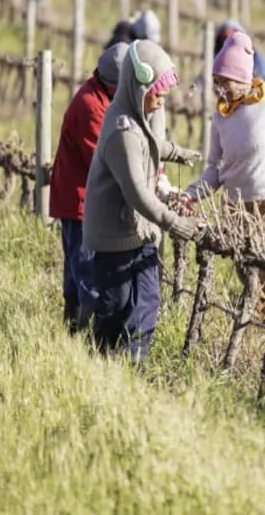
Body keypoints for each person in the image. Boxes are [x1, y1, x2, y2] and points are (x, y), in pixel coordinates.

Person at [180, 33, 265, 335]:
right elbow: (214, 169)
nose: (220, 89)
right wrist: (191, 195)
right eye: (217, 82)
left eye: (225, 81)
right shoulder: (221, 117)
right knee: (249, 276)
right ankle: (263, 336)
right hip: (235, 209)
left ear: (242, 78)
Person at [83, 40, 203, 364]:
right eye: (157, 94)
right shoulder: (122, 130)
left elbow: (151, 143)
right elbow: (136, 191)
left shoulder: (137, 119)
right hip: (114, 235)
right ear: (138, 87)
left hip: (138, 230)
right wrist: (174, 222)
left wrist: (177, 152)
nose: (161, 102)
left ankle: (132, 367)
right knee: (115, 306)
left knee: (147, 301)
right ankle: (103, 364)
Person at [50, 44, 130, 332]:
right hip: (80, 201)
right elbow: (103, 158)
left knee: (77, 268)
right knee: (86, 270)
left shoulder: (97, 94)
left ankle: (73, 327)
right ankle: (86, 334)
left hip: (80, 197)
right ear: (115, 84)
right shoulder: (92, 107)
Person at [215, 20, 265, 89]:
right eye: (224, 37)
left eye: (232, 36)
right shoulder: (217, 56)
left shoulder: (255, 57)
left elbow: (264, 81)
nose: (227, 40)